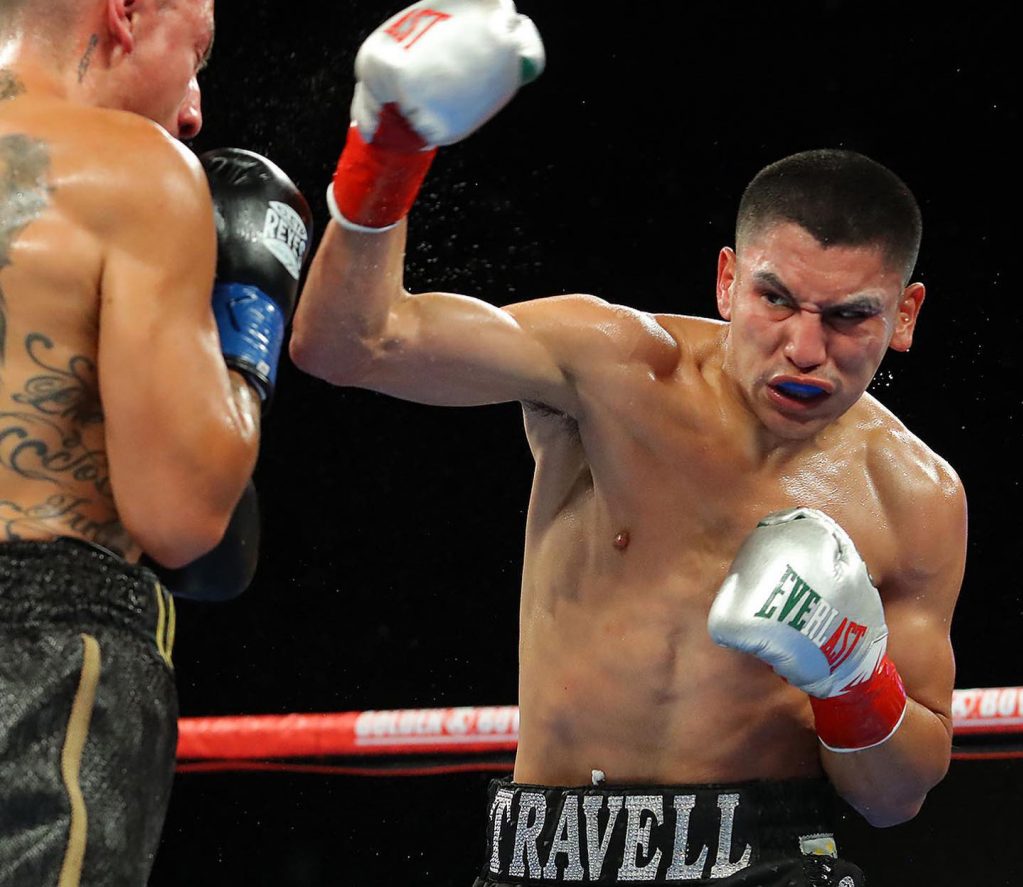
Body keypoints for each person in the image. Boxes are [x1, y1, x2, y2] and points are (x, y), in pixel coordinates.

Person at [290, 2, 966, 884]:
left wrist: (851, 674)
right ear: (727, 281)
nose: (806, 348)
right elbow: (349, 344)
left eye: (848, 317)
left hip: (767, 859)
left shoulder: (913, 495)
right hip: (550, 850)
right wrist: (387, 148)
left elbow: (895, 796)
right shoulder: (614, 368)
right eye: (776, 300)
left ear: (904, 317)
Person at [0, 1, 310, 884]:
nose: (195, 109)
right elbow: (184, 518)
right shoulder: (140, 172)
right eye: (197, 53)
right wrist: (249, 336)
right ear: (126, 13)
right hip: (41, 656)